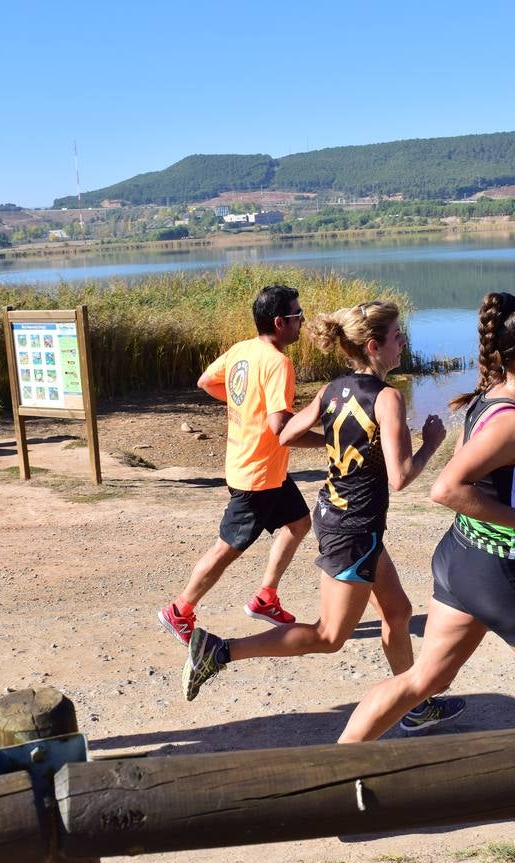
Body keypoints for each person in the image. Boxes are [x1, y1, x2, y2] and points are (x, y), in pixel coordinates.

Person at [180, 300, 466, 729]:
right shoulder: (386, 399)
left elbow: (288, 434)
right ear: (374, 346)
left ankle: (414, 706)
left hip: (344, 518)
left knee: (398, 613)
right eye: (396, 337)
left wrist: (339, 441)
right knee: (329, 637)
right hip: (352, 529)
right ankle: (218, 651)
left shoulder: (335, 389)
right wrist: (431, 442)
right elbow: (401, 477)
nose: (402, 342)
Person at [336, 292, 515, 747]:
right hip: (500, 574)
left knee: (424, 680)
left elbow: (489, 470)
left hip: (461, 562)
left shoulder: (491, 399)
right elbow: (448, 488)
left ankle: (336, 769)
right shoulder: (514, 422)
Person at [157, 285, 324, 644]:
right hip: (257, 475)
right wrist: (330, 441)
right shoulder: (279, 362)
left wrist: (245, 404)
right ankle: (179, 610)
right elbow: (283, 430)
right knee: (226, 547)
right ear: (280, 322)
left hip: (259, 468)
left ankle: (266, 598)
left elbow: (206, 381)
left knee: (298, 523)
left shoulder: (242, 350)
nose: (302, 321)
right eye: (297, 316)